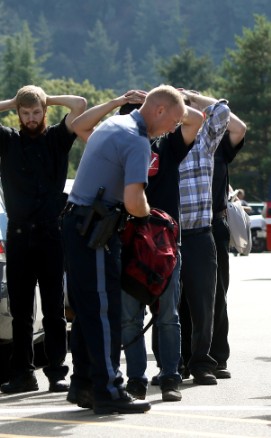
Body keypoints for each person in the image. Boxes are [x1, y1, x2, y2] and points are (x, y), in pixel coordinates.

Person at [69, 89, 202, 403]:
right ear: (155, 111)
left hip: (148, 241)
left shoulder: (149, 138)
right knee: (118, 315)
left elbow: (194, 120)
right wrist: (116, 101)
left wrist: (177, 95)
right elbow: (80, 127)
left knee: (158, 314)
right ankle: (123, 384)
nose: (172, 127)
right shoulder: (131, 138)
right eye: (170, 120)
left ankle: (162, 378)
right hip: (120, 236)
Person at [0, 85, 87, 394]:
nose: (31, 117)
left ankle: (56, 373)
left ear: (44, 112)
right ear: (18, 115)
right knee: (21, 312)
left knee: (53, 309)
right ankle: (22, 373)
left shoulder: (56, 139)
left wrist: (44, 97)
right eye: (25, 113)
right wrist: (13, 101)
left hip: (51, 234)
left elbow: (80, 104)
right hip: (19, 236)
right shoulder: (8, 141)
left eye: (36, 112)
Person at [176, 91, 232, 386]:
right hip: (168, 236)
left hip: (200, 233)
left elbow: (222, 112)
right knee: (169, 306)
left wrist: (190, 98)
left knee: (204, 304)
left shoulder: (205, 142)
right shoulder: (161, 142)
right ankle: (172, 364)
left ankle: (201, 363)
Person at [209, 115, 247, 381]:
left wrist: (202, 103)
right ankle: (180, 360)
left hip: (215, 223)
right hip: (177, 225)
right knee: (177, 299)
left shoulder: (220, 144)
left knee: (217, 294)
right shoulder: (171, 142)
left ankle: (217, 357)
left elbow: (239, 127)